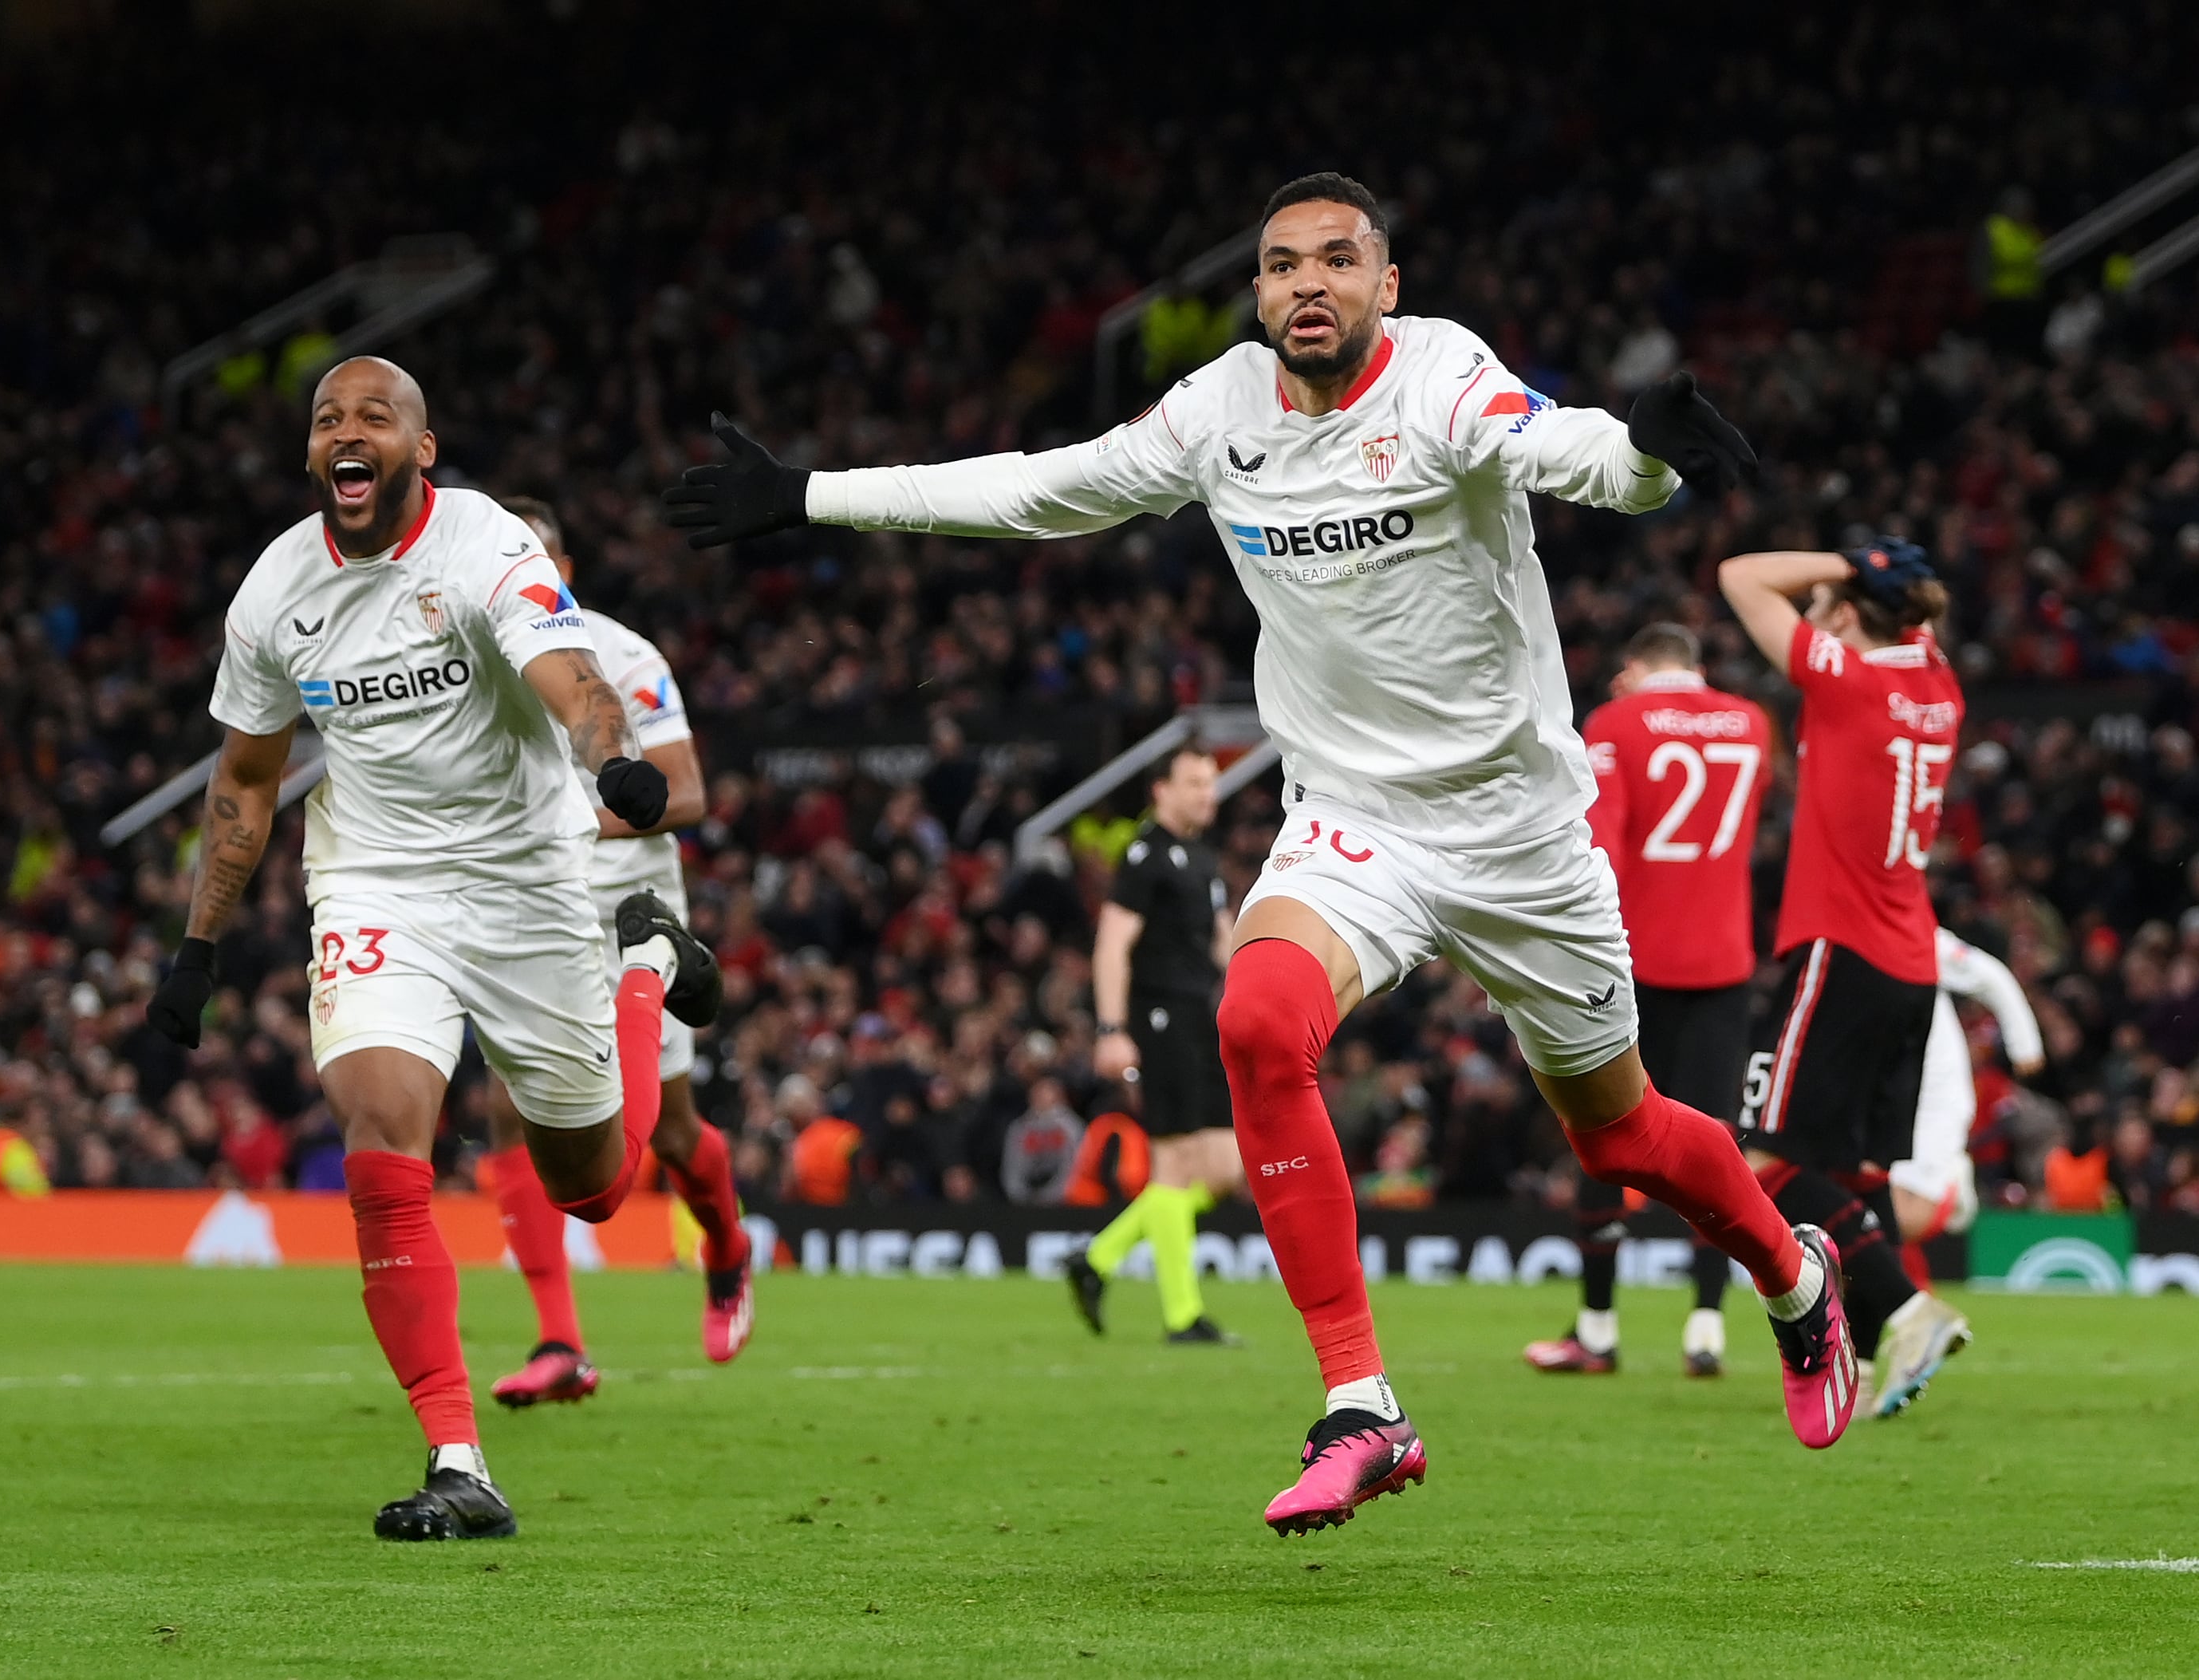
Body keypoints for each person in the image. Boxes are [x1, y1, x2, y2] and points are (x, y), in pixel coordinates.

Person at [668, 172, 1858, 1537]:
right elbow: (1047, 489)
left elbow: (1571, 451)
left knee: (1623, 1141)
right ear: (1255, 293)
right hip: (1354, 816)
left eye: (1338, 260)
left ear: (1386, 287)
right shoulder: (1218, 408)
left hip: (1523, 831)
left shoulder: (1442, 377)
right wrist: (809, 496)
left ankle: (1792, 1275)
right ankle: (1364, 1402)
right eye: (1282, 263)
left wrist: (1649, 454)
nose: (1308, 282)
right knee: (1255, 1020)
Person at [144, 357, 721, 1541]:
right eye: (326, 420)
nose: (346, 433)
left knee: (597, 1191)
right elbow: (247, 782)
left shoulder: (483, 543)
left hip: (526, 883)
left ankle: (644, 968)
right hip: (375, 881)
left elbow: (575, 679)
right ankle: (460, 1457)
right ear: (314, 455)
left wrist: (608, 753)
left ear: (422, 446)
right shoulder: (275, 591)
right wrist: (196, 946)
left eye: (374, 416)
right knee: (379, 1128)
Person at [479, 495, 754, 1411]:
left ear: (559, 568)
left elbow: (686, 794)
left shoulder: (624, 657)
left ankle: (726, 1247)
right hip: (527, 904)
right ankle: (560, 1341)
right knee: (511, 1114)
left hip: (626, 902)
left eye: (533, 558)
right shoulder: (470, 662)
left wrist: (570, 820)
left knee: (669, 1134)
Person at [1719, 538, 1975, 1422]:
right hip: (1910, 965)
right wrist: (1867, 581)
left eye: (1828, 600)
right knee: (1856, 1169)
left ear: (1846, 616)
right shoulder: (1940, 689)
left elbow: (1739, 577)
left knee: (1759, 1163)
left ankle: (1905, 1311)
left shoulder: (1849, 682)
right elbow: (1914, 614)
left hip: (1840, 950)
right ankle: (1871, 1360)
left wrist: (1835, 563)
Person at [1524, 624, 1771, 1378]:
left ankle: (1596, 1330)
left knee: (1602, 1137)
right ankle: (1706, 1331)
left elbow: (1602, 844)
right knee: (1711, 1145)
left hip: (1635, 963)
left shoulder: (1616, 722)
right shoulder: (1753, 724)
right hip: (1725, 963)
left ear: (1634, 668)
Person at [1068, 743, 1244, 1345]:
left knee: (1225, 1169)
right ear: (1161, 791)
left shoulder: (1201, 855)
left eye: (1212, 783)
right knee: (1174, 1164)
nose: (1208, 794)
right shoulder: (1146, 855)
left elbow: (1222, 943)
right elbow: (1113, 944)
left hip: (1201, 1019)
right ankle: (1182, 1316)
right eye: (1195, 783)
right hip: (1160, 1017)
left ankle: (1098, 1257)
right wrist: (1113, 1029)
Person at [1890, 928, 2044, 1288]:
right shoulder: (1836, 943)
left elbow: (1991, 977)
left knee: (1897, 1219)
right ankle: (1909, 1311)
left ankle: (1950, 1180)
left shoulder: (1913, 933)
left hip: (1934, 1102)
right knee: (1869, 1218)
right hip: (1887, 1101)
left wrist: (2025, 1047)